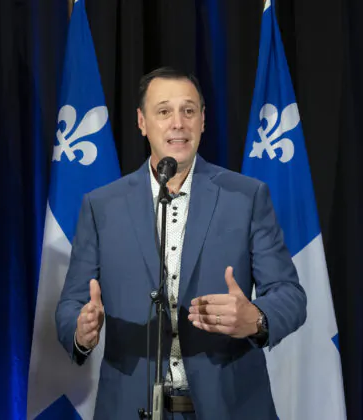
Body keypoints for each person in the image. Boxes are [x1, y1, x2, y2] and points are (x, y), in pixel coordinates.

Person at [55, 67, 307, 419]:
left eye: (188, 111)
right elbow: (71, 304)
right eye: (164, 111)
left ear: (203, 120)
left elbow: (289, 295)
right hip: (130, 407)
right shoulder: (101, 206)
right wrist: (81, 330)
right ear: (142, 122)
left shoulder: (247, 197)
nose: (178, 123)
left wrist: (258, 318)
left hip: (231, 407)